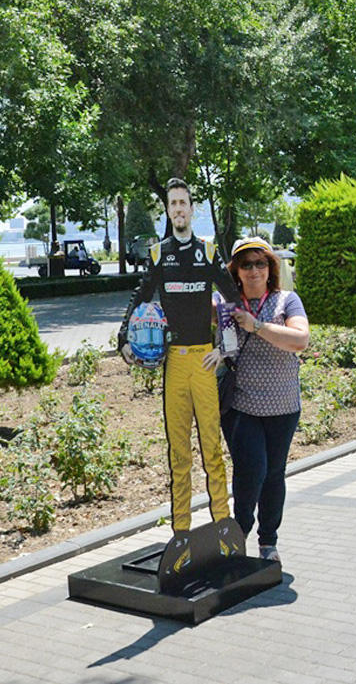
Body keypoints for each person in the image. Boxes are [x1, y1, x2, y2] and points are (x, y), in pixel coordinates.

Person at [118, 178, 240, 536]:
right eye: (172, 204)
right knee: (179, 456)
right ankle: (181, 533)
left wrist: (225, 348)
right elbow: (139, 298)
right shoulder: (159, 254)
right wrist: (124, 337)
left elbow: (232, 298)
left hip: (204, 360)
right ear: (168, 210)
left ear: (192, 208)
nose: (178, 209)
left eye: (183, 202)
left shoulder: (208, 250)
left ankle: (223, 526)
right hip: (173, 363)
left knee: (212, 451)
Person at [203, 237, 309, 563]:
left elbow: (300, 340)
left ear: (270, 268)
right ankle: (239, 534)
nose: (253, 270)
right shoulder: (222, 303)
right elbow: (188, 316)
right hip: (240, 405)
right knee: (253, 470)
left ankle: (268, 543)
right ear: (235, 270)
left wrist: (257, 325)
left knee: (274, 474)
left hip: (282, 406)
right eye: (245, 264)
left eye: (260, 263)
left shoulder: (286, 301)